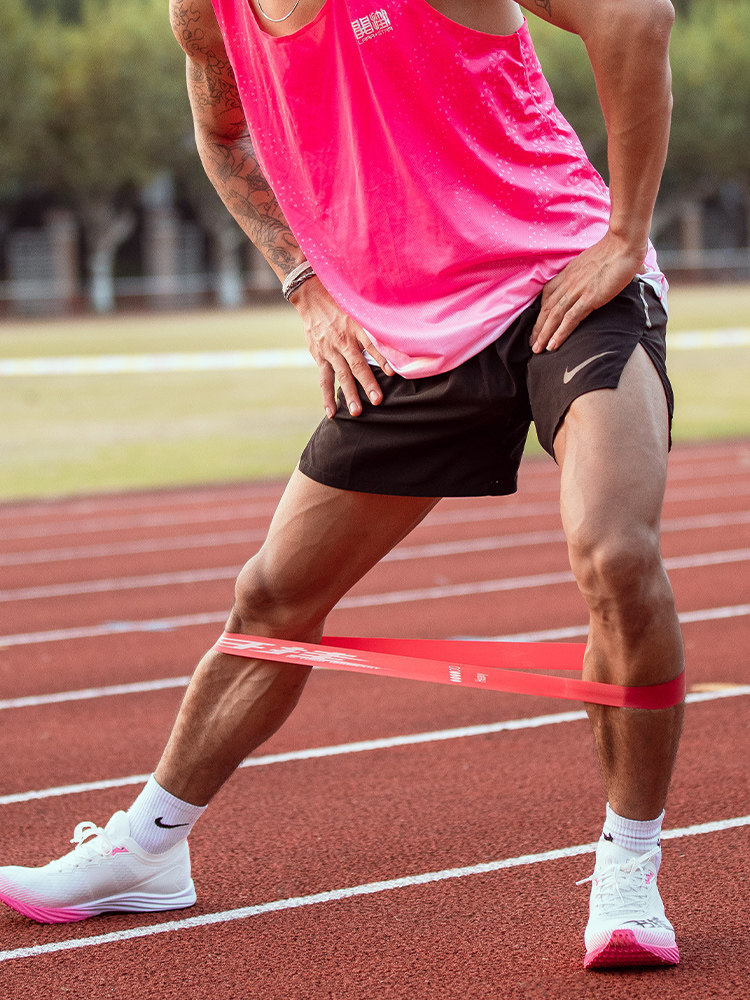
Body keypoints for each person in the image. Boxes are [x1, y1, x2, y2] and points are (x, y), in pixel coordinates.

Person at [0, 0, 684, 971]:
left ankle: (629, 866)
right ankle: (147, 851)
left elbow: (636, 16)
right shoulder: (207, 11)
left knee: (615, 554)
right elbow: (222, 129)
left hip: (564, 286)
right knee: (272, 599)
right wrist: (305, 284)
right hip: (414, 334)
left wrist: (624, 234)